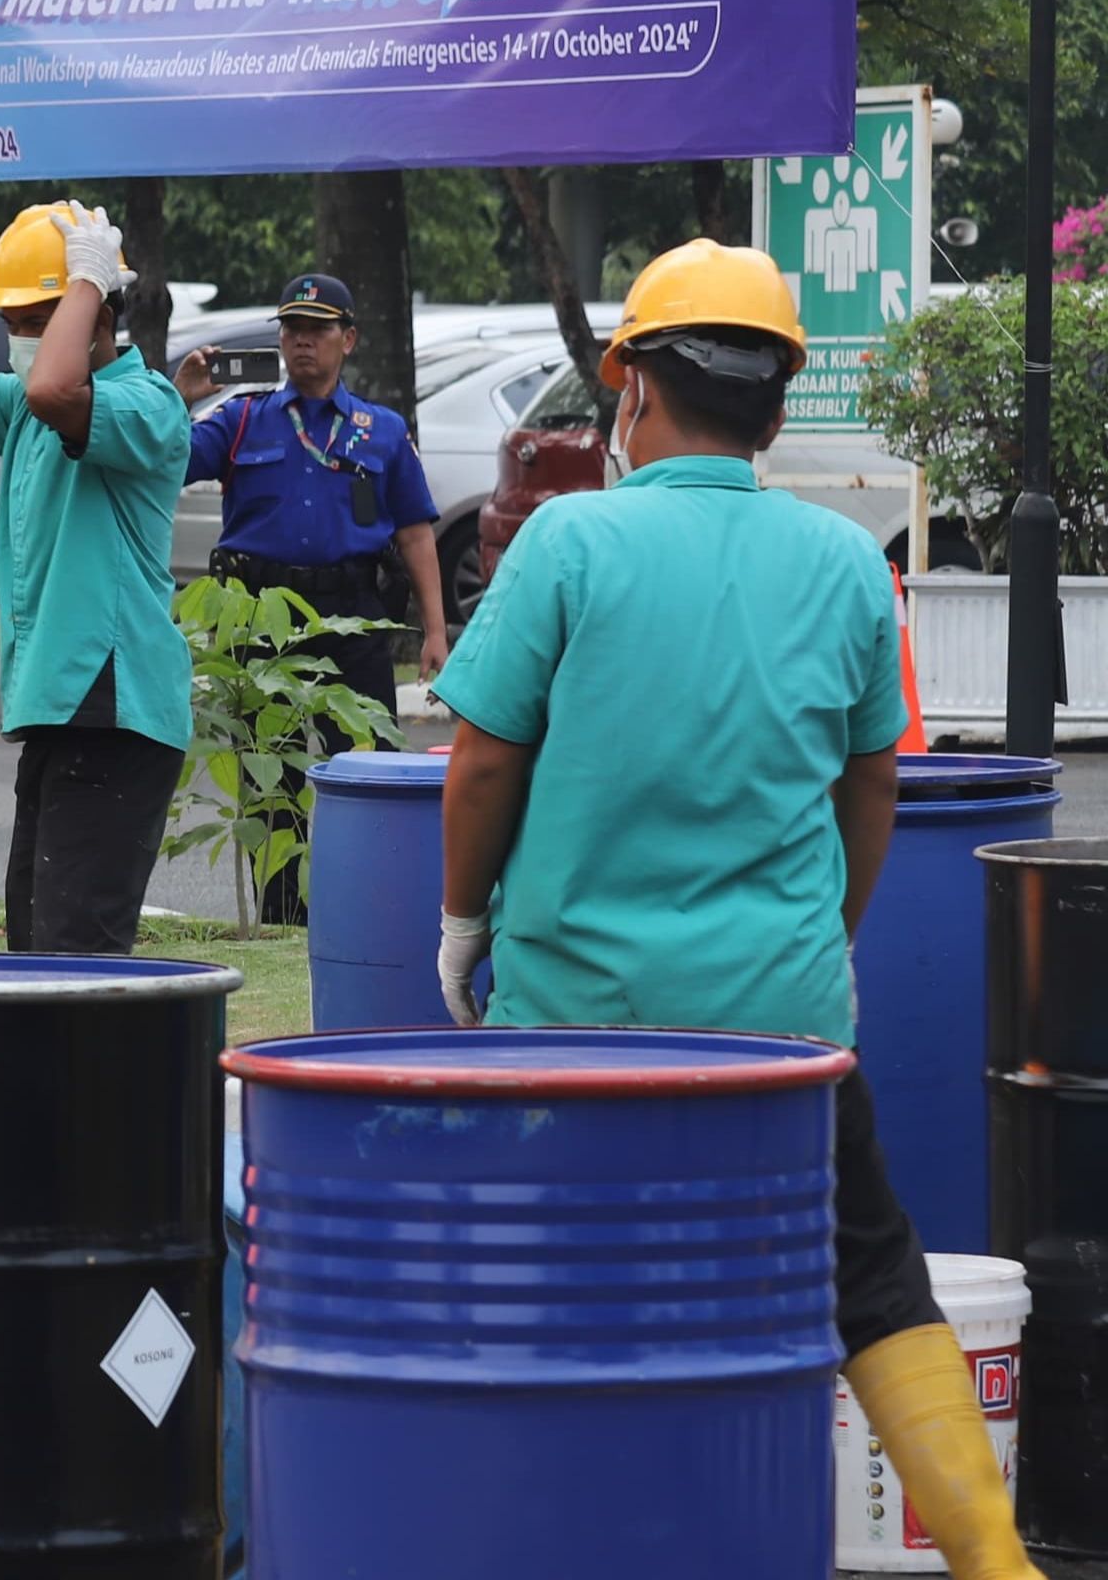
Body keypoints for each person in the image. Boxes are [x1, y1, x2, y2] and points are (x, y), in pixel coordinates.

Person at [432, 240, 1038, 1580]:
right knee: (875, 1286)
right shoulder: (842, 564)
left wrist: (463, 927)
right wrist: (815, 941)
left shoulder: (570, 540)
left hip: (576, 1031)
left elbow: (480, 764)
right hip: (781, 1031)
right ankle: (997, 1561)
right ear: (774, 407)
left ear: (630, 387)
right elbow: (872, 786)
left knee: (569, 1301)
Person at [0, 202, 194, 954]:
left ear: (95, 315)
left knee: (74, 958)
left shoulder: (147, 404)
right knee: (35, 955)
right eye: (10, 323)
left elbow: (56, 391)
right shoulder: (23, 409)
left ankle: (108, 1079)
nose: (19, 341)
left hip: (116, 708)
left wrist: (89, 280)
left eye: (33, 320)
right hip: (63, 712)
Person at [175, 272, 451, 923]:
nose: (302, 343)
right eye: (292, 329)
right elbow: (167, 461)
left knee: (371, 774)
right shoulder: (243, 420)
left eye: (318, 330)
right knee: (269, 778)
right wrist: (177, 398)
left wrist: (435, 631)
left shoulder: (379, 432)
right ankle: (279, 919)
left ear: (346, 339)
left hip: (351, 621)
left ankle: (377, 913)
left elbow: (414, 534)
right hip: (258, 621)